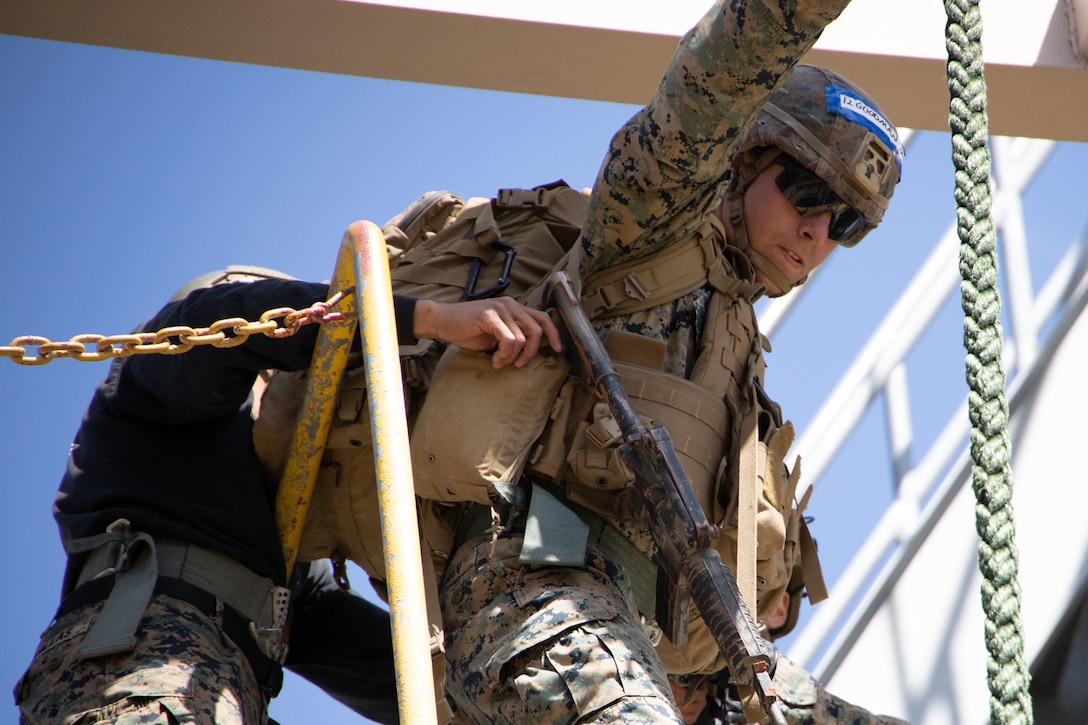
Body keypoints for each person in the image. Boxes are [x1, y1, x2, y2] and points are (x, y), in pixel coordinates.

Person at [435, 0, 904, 722]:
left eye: (843, 223)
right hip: (531, 589)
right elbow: (721, 72)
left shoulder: (738, 355)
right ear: (743, 160)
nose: (815, 232)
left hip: (659, 643)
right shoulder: (646, 224)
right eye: (807, 192)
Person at [13, 267, 562, 724]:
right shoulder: (152, 381)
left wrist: (504, 691)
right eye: (273, 371)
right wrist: (431, 319)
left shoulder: (273, 532)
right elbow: (224, 327)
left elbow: (366, 656)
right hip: (137, 660)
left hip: (221, 679)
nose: (285, 385)